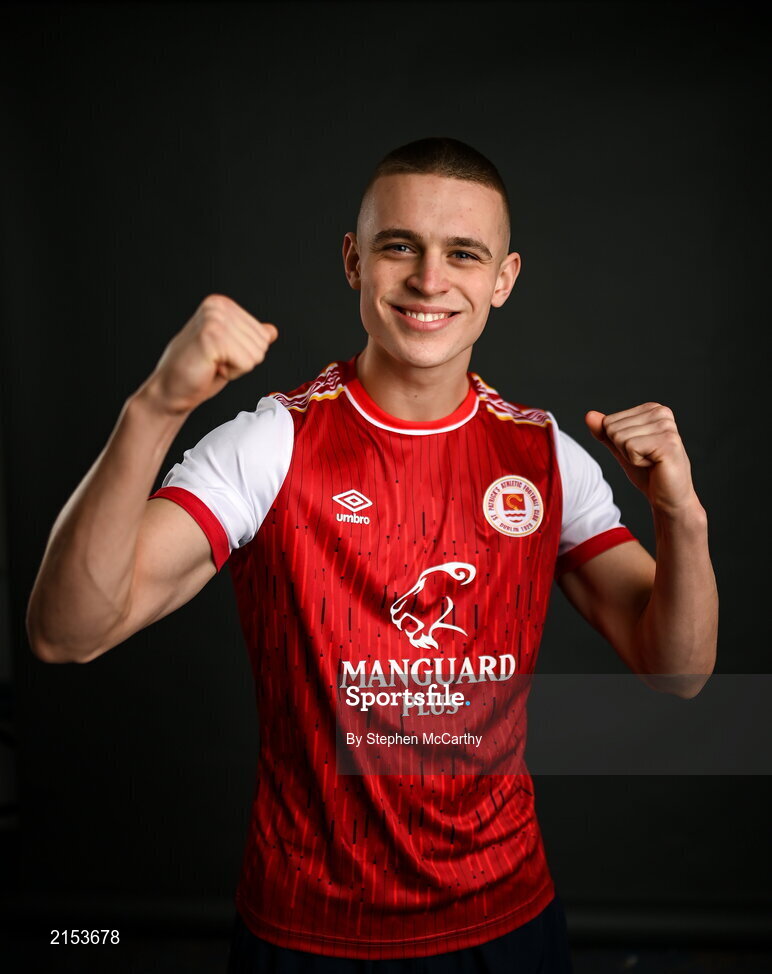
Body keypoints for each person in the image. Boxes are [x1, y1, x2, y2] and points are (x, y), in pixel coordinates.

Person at [26, 137, 718, 973]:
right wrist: (153, 409)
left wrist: (680, 515)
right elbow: (68, 631)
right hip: (307, 928)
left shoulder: (545, 456)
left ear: (503, 279)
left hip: (507, 921)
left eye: (464, 254)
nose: (430, 280)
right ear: (355, 261)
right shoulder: (271, 443)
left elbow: (677, 672)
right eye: (401, 247)